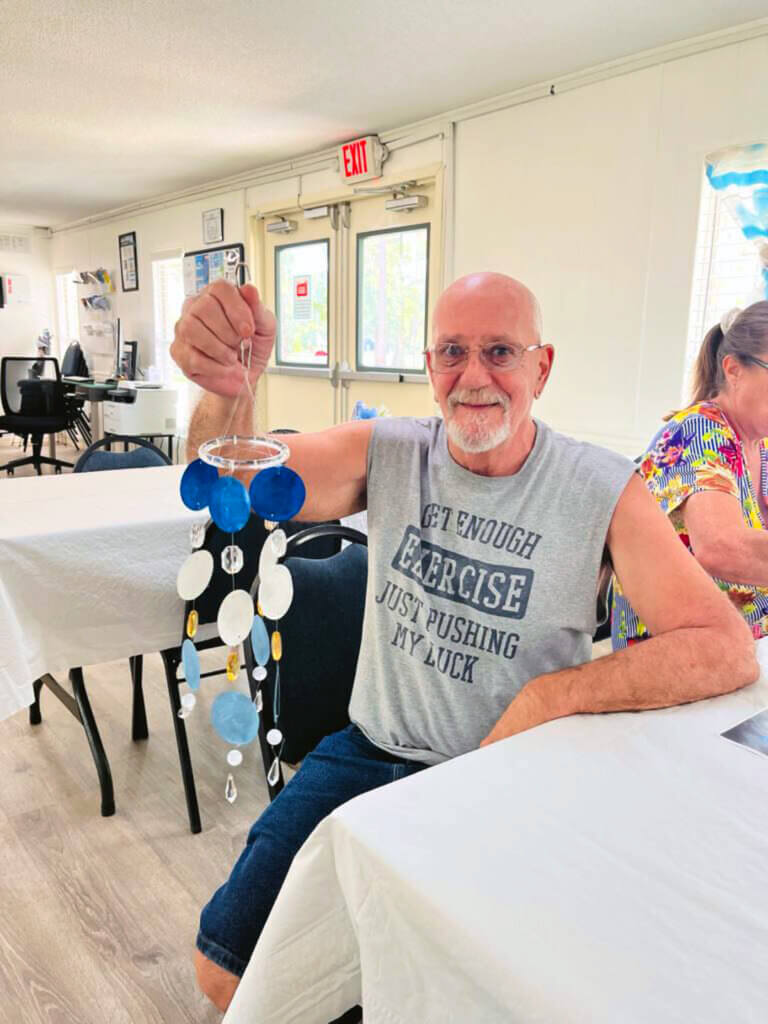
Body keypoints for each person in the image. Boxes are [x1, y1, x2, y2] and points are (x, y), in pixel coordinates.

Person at [171, 272, 757, 1011]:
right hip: (369, 752)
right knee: (225, 969)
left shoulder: (599, 488)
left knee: (471, 988)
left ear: (541, 368)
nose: (474, 377)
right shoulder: (391, 450)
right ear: (429, 366)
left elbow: (724, 646)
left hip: (506, 779)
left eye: (500, 352)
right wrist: (226, 390)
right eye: (453, 351)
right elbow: (236, 479)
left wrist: (556, 694)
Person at [613, 300, 768, 647]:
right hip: (677, 649)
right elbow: (722, 547)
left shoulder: (761, 444)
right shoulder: (698, 431)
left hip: (744, 645)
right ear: (733, 370)